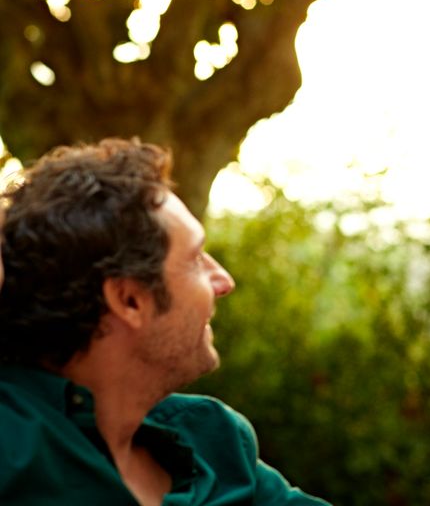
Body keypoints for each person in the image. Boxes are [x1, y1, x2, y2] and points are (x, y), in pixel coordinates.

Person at [0, 138, 328, 505]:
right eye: (196, 258)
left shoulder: (215, 440)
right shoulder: (15, 449)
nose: (223, 281)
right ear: (129, 300)